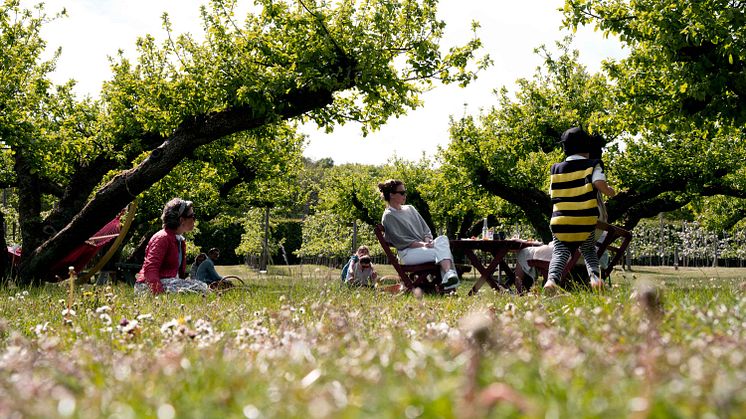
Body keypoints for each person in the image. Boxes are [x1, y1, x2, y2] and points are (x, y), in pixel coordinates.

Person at [544, 127, 616, 293]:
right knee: (589, 250)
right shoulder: (592, 165)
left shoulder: (555, 169)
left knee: (560, 252)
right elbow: (599, 183)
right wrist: (610, 191)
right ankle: (595, 278)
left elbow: (552, 193)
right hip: (584, 220)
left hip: (560, 221)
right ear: (588, 148)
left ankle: (552, 280)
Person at [378, 179, 459, 291]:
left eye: (405, 192)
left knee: (443, 239)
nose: (404, 195)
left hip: (423, 248)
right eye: (401, 192)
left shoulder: (410, 209)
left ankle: (448, 276)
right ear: (391, 195)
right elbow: (402, 241)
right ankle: (449, 282)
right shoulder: (389, 216)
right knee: (442, 251)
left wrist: (428, 240)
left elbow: (425, 229)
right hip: (408, 253)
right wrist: (424, 245)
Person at [135, 198, 208, 295]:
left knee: (202, 286)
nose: (194, 219)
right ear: (181, 220)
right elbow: (151, 269)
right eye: (192, 216)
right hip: (147, 286)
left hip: (166, 282)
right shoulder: (162, 238)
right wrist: (158, 294)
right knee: (200, 289)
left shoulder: (178, 239)